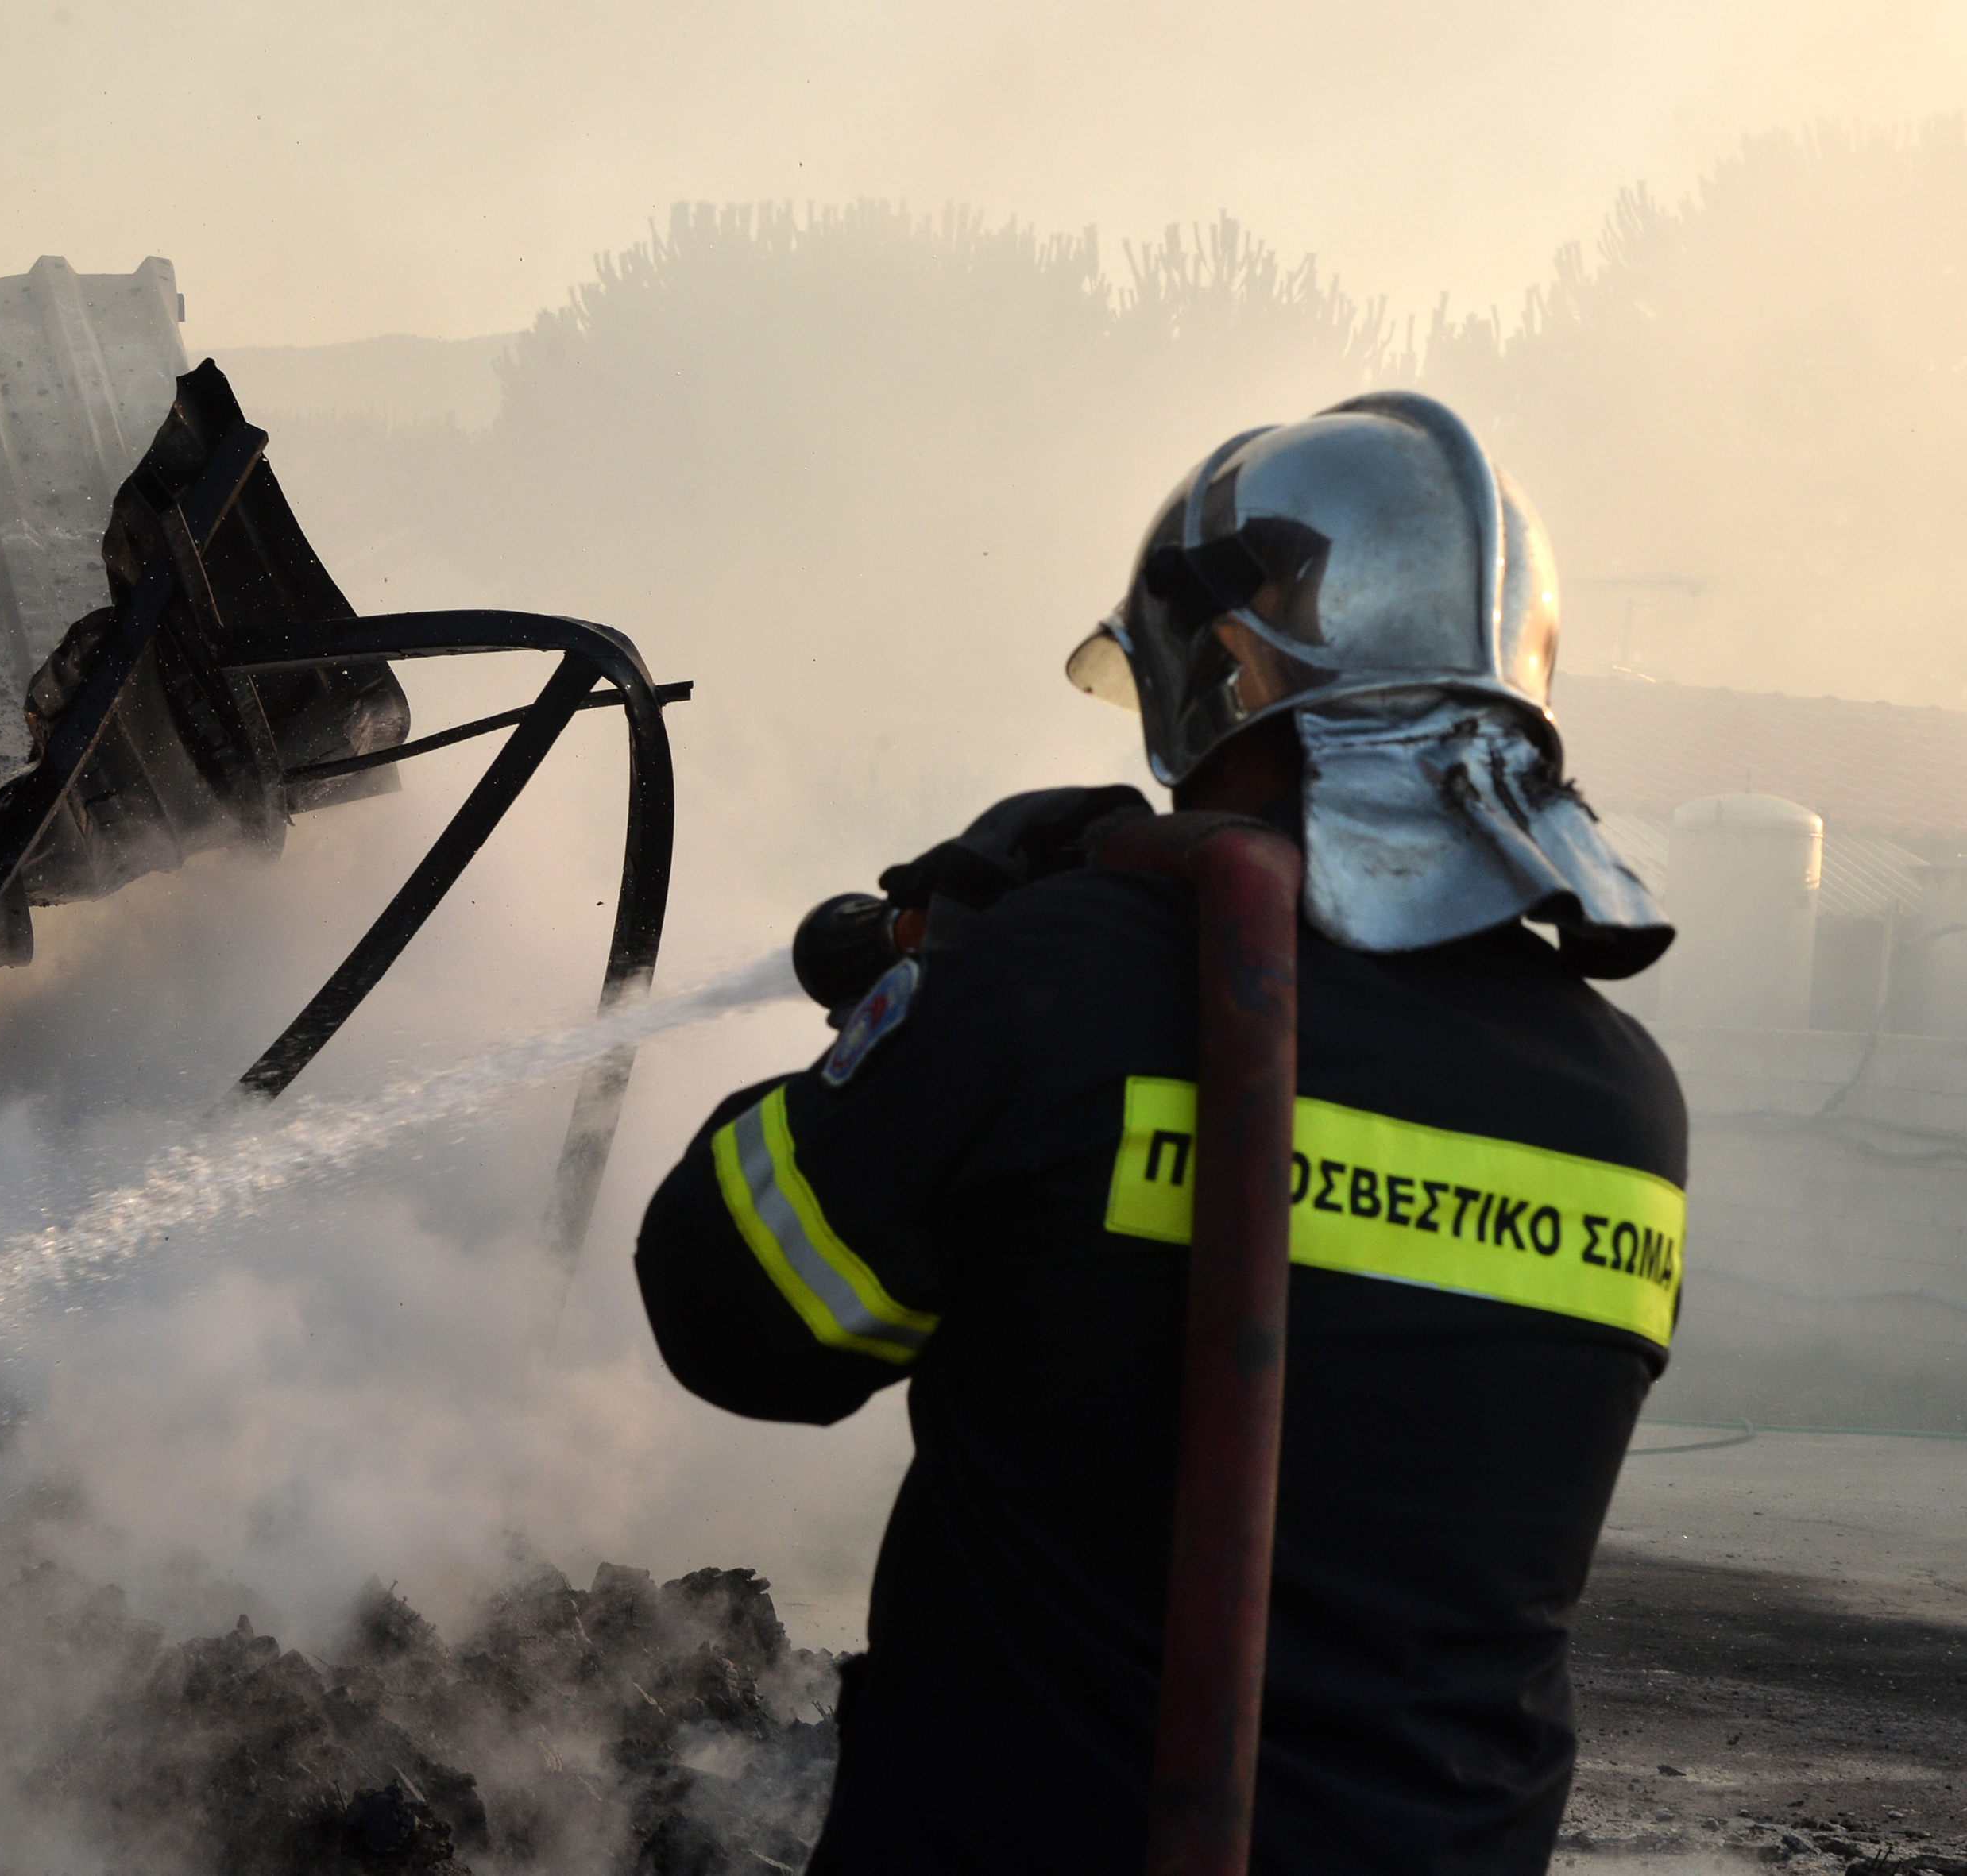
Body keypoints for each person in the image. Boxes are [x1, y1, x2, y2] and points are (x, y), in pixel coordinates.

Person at [633, 392, 1686, 1874]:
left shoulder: (1066, 985)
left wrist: (932, 1003)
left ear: (1237, 675)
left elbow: (737, 1315)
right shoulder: (1623, 1102)